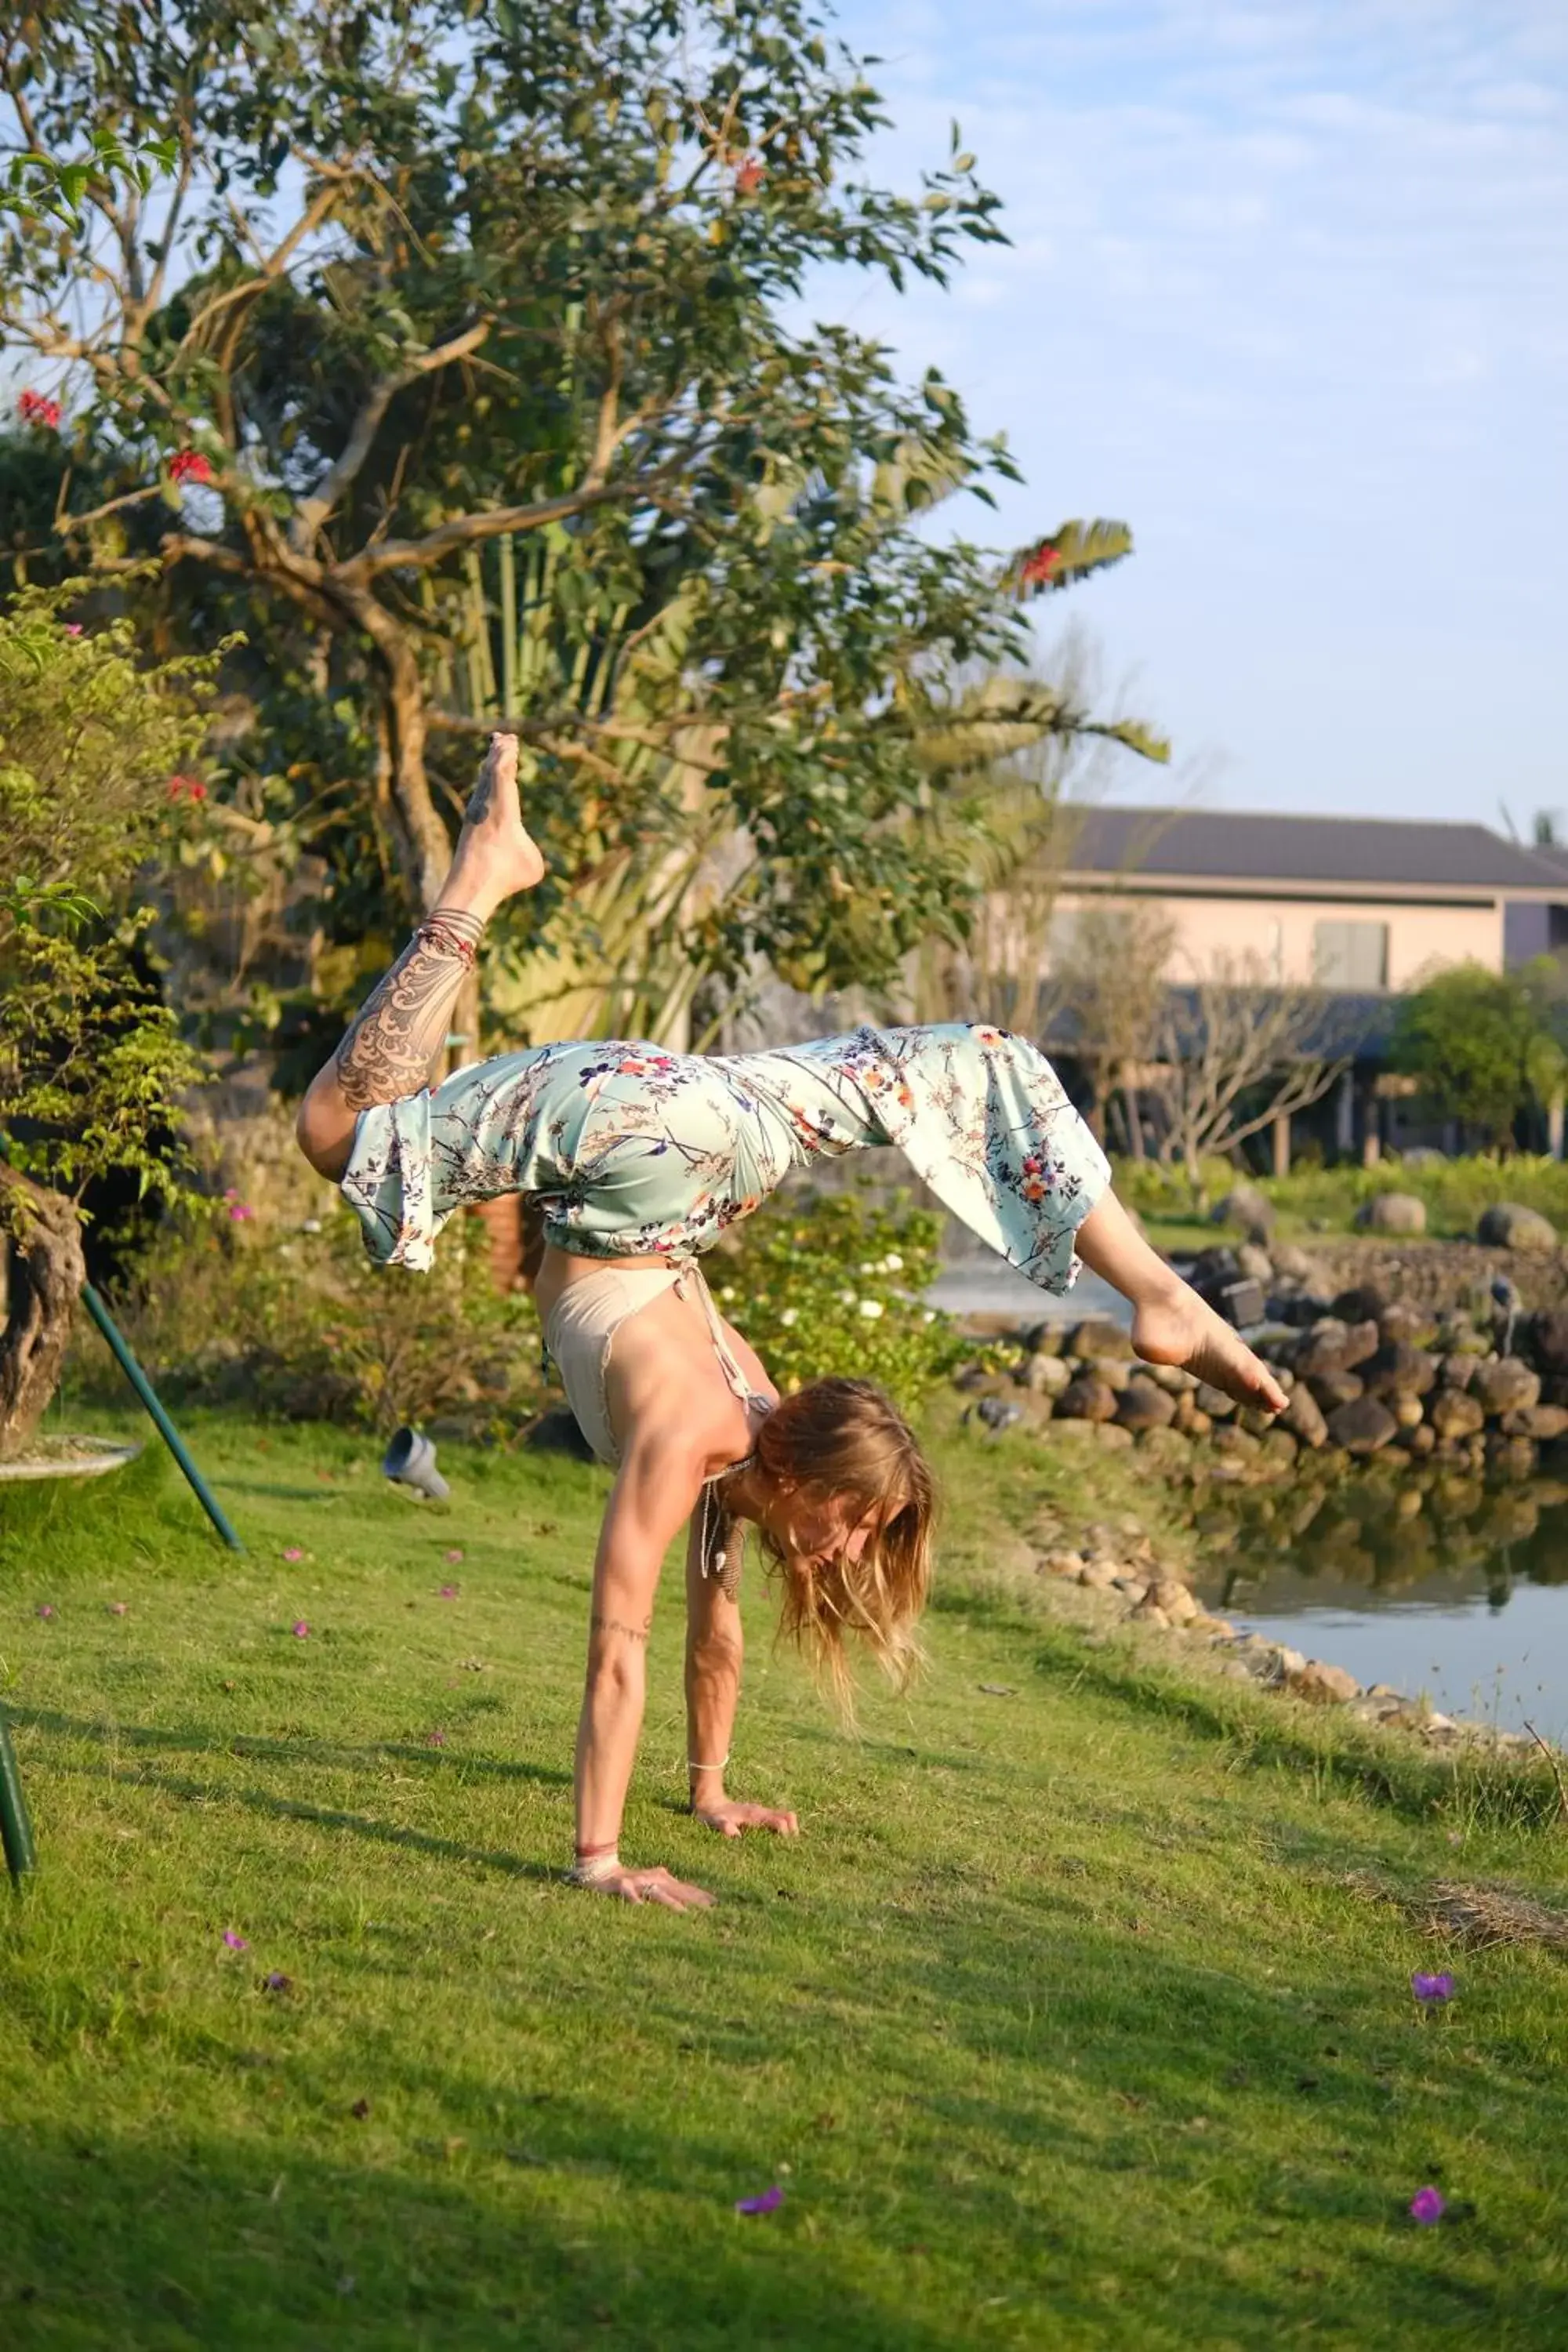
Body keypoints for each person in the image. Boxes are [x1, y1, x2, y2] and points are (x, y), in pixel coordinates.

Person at [296, 735, 1285, 1910]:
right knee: (333, 1134)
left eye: (866, 1536)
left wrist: (711, 1790)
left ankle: (1159, 1292)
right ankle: (480, 875)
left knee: (970, 1064)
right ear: (800, 1463)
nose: (851, 1551)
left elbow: (712, 1630)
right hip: (653, 1147)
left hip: (684, 1149)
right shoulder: (693, 1434)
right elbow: (618, 1646)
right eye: (857, 1521)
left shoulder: (743, 1446)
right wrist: (600, 1862)